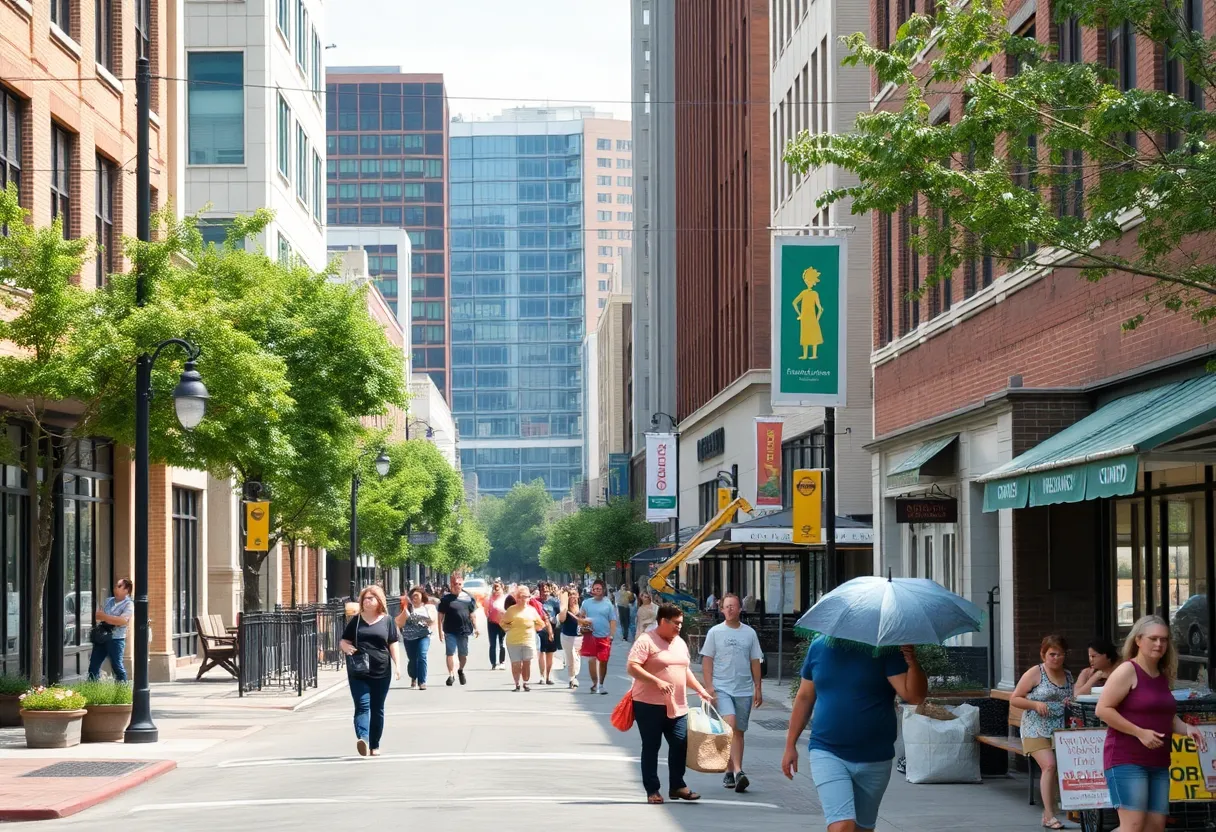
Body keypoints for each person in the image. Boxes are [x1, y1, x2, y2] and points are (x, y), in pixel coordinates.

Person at [782, 636, 927, 832]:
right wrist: (790, 745)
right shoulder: (819, 647)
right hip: (827, 750)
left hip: (876, 756)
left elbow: (914, 696)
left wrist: (911, 661)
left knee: (862, 828)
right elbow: (805, 697)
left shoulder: (885, 650)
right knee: (842, 825)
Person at [1097, 615, 1202, 832]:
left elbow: (1166, 717)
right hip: (1126, 759)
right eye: (1153, 638)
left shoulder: (1162, 675)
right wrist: (1139, 732)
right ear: (1138, 640)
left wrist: (1187, 729)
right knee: (1133, 825)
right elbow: (1103, 709)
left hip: (1159, 761)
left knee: (1155, 827)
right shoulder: (1127, 670)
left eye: (1164, 639)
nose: (1159, 644)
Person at [627, 603, 712, 804]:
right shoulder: (646, 640)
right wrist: (656, 681)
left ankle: (677, 786)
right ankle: (652, 790)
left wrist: (700, 689)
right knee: (651, 746)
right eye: (676, 623)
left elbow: (684, 669)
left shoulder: (680, 642)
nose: (679, 626)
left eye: (680, 623)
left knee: (680, 744)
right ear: (663, 621)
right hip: (648, 704)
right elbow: (632, 667)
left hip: (678, 704)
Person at [701, 593, 764, 792]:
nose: (729, 609)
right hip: (722, 687)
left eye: (733, 606)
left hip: (743, 689)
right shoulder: (715, 632)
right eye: (726, 606)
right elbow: (707, 660)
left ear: (739, 609)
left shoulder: (749, 633)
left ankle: (731, 771)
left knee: (738, 732)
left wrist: (758, 687)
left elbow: (755, 661)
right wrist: (709, 686)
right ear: (721, 609)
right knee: (730, 723)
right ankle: (738, 771)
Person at [1011, 634, 1074, 829]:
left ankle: (1057, 811)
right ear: (1043, 654)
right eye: (1052, 654)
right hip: (1035, 727)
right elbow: (1015, 698)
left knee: (1060, 768)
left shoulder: (1068, 675)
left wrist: (1069, 702)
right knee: (1049, 765)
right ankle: (1049, 814)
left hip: (1059, 729)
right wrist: (1035, 704)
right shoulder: (1035, 673)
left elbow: (1072, 698)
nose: (1056, 658)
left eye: (1060, 654)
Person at [339, 585, 402, 757]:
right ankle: (363, 739)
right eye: (364, 598)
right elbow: (344, 640)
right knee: (362, 705)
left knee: (377, 708)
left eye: (370, 598)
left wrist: (398, 665)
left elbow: (393, 643)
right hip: (359, 671)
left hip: (381, 670)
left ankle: (375, 744)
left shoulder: (387, 620)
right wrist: (346, 647)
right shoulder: (356, 621)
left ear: (379, 600)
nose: (366, 601)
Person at [437, 572, 480, 686]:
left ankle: (460, 670)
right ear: (451, 584)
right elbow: (440, 616)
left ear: (462, 584)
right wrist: (440, 631)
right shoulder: (446, 599)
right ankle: (451, 675)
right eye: (455, 584)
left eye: (459, 584)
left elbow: (472, 614)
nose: (457, 586)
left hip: (464, 630)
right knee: (450, 652)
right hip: (449, 630)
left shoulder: (468, 598)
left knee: (463, 654)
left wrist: (476, 627)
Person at [88, 578, 134, 682]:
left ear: (126, 590)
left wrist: (105, 617)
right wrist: (111, 619)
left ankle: (122, 687)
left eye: (119, 586)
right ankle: (92, 687)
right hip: (102, 637)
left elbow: (122, 621)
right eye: (115, 586)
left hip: (116, 639)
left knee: (117, 666)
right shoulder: (108, 601)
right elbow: (98, 616)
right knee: (93, 666)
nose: (115, 588)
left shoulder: (128, 604)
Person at [502, 585, 546, 691]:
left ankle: (525, 682)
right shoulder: (511, 610)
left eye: (526, 597)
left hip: (528, 640)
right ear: (517, 598)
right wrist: (508, 628)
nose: (523, 599)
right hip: (513, 641)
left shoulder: (532, 610)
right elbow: (502, 622)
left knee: (527, 663)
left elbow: (541, 623)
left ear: (529, 598)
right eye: (521, 597)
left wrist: (535, 627)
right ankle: (517, 684)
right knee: (516, 664)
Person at [578, 579, 617, 694]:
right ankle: (595, 683)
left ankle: (601, 684)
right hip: (590, 636)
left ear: (603, 590)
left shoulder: (608, 604)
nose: (596, 590)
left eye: (599, 589)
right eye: (594, 589)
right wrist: (582, 624)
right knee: (592, 660)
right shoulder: (586, 603)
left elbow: (612, 620)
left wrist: (611, 635)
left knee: (603, 661)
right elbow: (581, 617)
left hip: (604, 636)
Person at [394, 586, 436, 690]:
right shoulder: (407, 608)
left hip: (423, 636)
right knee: (412, 660)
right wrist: (405, 612)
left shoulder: (428, 608)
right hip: (409, 637)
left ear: (422, 596)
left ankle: (422, 681)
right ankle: (413, 677)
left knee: (422, 656)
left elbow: (432, 620)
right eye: (412, 596)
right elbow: (398, 622)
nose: (414, 598)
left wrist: (422, 618)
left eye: (416, 595)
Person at [559, 586, 583, 688]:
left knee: (576, 657)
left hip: (579, 637)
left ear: (578, 595)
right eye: (570, 595)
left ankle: (574, 676)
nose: (573, 596)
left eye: (574, 594)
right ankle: (572, 678)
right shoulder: (565, 609)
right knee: (571, 657)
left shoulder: (582, 606)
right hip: (567, 636)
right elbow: (562, 619)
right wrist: (563, 606)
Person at [538, 582, 561, 685]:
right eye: (543, 591)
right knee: (541, 653)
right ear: (540, 591)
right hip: (539, 630)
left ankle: (548, 676)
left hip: (551, 630)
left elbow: (560, 615)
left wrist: (555, 620)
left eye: (547, 590)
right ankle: (542, 676)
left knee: (550, 654)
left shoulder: (555, 602)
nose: (545, 593)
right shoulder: (536, 601)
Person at [486, 581, 508, 671]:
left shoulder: (505, 599)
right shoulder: (489, 599)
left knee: (502, 643)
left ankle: (502, 662)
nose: (496, 590)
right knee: (492, 644)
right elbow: (486, 610)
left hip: (502, 623)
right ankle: (493, 663)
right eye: (494, 588)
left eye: (498, 587)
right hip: (491, 623)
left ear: (502, 588)